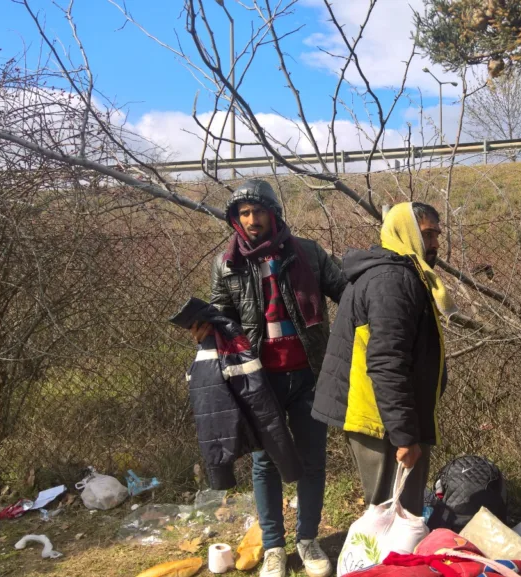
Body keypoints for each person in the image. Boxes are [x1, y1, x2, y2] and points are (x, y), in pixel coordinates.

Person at [191, 179, 346, 577]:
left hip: (309, 373)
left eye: (258, 211)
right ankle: (274, 546)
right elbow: (223, 312)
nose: (251, 219)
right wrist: (205, 325)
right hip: (259, 380)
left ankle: (308, 540)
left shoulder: (307, 253)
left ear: (274, 213)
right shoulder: (227, 263)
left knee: (313, 460)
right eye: (243, 213)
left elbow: (344, 291)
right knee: (265, 463)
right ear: (235, 219)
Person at [313, 201, 455, 516]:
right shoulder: (392, 280)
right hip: (382, 423)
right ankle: (385, 565)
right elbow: (386, 361)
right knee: (393, 514)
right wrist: (405, 436)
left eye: (437, 236)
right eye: (428, 234)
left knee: (397, 512)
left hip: (387, 417)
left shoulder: (401, 273)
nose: (434, 244)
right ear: (405, 231)